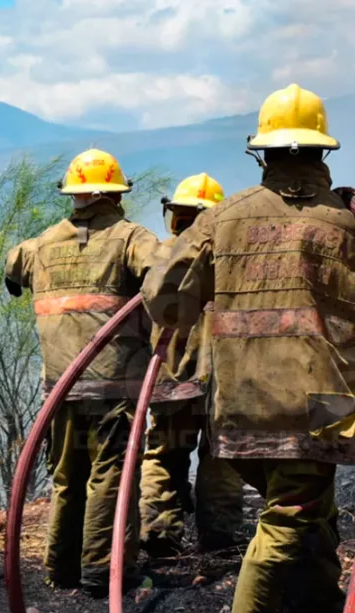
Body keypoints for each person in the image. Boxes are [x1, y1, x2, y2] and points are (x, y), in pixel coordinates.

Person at [141, 84, 355, 613]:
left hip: (240, 405)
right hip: (322, 405)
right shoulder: (347, 223)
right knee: (286, 528)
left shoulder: (222, 218)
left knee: (309, 518)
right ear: (322, 153)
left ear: (262, 153)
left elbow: (163, 299)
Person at [4, 148, 162, 598]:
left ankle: (60, 570)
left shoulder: (40, 245)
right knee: (111, 477)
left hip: (60, 387)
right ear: (116, 194)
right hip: (114, 386)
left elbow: (12, 268)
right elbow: (166, 277)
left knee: (67, 477)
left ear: (73, 195)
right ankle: (103, 573)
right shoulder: (132, 239)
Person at [139, 173, 245, 559]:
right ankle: (218, 538)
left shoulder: (158, 257)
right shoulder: (228, 261)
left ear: (175, 216)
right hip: (220, 380)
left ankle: (158, 534)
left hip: (168, 379)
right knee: (220, 457)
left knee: (165, 453)